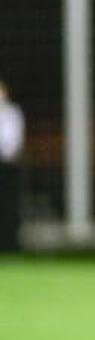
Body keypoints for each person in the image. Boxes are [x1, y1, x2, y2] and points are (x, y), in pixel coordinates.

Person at [0, 80, 25, 252]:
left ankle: (10, 244)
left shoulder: (13, 112)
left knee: (9, 206)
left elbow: (14, 139)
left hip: (7, 166)